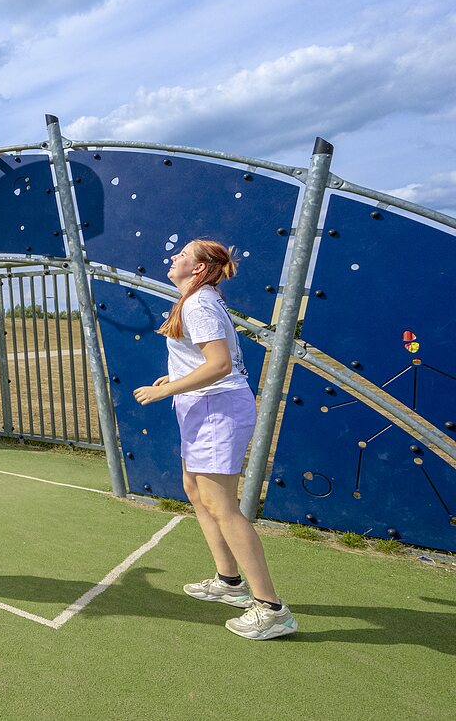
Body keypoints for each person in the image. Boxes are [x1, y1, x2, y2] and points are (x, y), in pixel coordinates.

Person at [133, 238, 298, 640]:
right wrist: (176, 379)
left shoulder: (199, 303)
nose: (174, 257)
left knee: (222, 505)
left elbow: (221, 364)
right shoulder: (197, 300)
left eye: (183, 255)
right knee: (197, 491)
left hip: (216, 408)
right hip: (205, 406)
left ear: (200, 268)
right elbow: (206, 360)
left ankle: (272, 609)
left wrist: (165, 390)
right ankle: (230, 582)